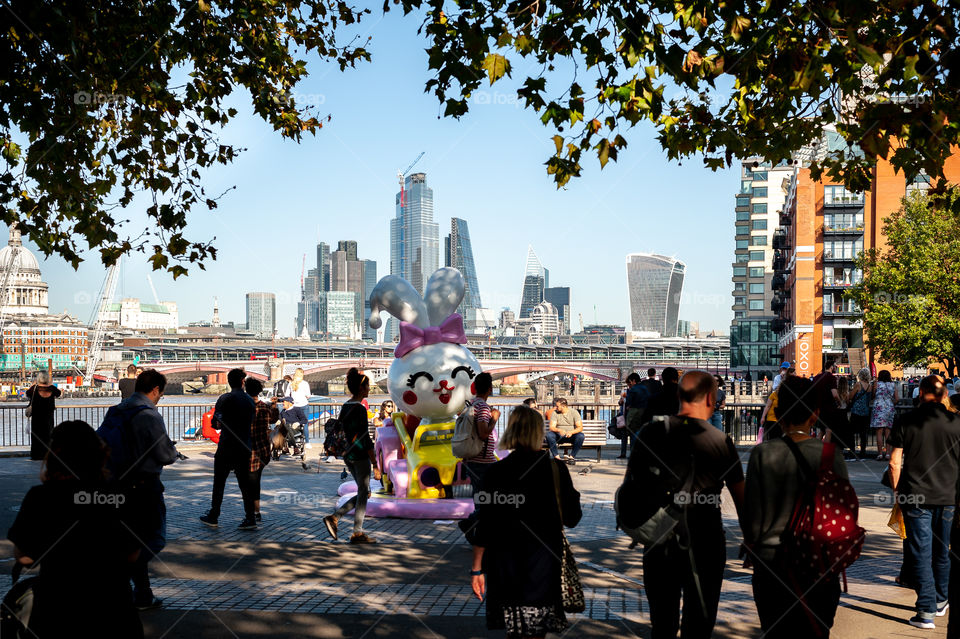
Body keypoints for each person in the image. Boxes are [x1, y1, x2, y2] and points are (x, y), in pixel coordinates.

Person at [634, 371, 745, 638]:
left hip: (660, 540)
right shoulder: (720, 441)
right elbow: (742, 498)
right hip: (706, 541)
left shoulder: (649, 434)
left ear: (679, 395)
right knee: (699, 624)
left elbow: (634, 491)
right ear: (710, 398)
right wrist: (752, 538)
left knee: (662, 624)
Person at [8, 421, 143, 638]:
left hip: (57, 609)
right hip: (114, 609)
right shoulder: (119, 495)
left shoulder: (41, 497)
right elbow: (134, 554)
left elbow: (25, 557)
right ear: (99, 454)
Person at [744, 375, 848, 637]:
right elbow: (843, 512)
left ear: (777, 413)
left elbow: (752, 513)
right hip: (818, 565)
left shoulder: (762, 454)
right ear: (815, 415)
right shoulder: (830, 455)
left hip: (772, 565)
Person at [469, 404, 582, 639]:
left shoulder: (495, 472)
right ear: (538, 433)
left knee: (516, 628)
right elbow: (573, 518)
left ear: (511, 431)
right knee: (535, 630)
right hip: (542, 560)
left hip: (505, 562)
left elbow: (485, 524)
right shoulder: (555, 469)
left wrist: (476, 569)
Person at [889, 375, 960, 629]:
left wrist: (898, 494)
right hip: (948, 495)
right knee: (942, 551)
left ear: (920, 393)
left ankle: (926, 610)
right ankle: (941, 601)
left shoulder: (906, 420)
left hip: (915, 494)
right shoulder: (956, 422)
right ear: (944, 395)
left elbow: (894, 462)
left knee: (920, 552)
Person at [118, 369, 179, 610]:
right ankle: (119, 575)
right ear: (155, 390)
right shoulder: (150, 415)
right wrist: (173, 452)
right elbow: (164, 454)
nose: (160, 398)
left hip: (118, 483)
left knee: (133, 540)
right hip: (145, 485)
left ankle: (143, 595)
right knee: (155, 538)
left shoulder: (119, 410)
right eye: (161, 394)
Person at [323, 368, 381, 544]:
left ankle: (336, 518)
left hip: (347, 454)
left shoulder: (346, 406)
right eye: (368, 387)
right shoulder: (360, 409)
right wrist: (375, 464)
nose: (369, 390)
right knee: (364, 492)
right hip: (360, 455)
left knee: (365, 492)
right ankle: (356, 532)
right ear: (361, 389)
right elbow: (365, 438)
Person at [200, 368, 257, 530]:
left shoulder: (224, 398)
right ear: (242, 382)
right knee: (245, 485)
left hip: (226, 446)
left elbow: (215, 422)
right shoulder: (249, 401)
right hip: (244, 445)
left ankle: (214, 515)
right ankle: (250, 517)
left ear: (229, 382)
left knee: (219, 483)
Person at [460, 372, 501, 491]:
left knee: (479, 494)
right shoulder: (482, 407)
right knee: (486, 495)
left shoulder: (470, 405)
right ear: (490, 388)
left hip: (471, 457)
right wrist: (494, 418)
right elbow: (483, 434)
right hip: (483, 460)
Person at [245, 377, 278, 523]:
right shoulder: (265, 407)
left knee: (249, 484)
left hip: (249, 450)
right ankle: (256, 511)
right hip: (263, 451)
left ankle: (252, 513)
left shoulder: (244, 408)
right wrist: (275, 405)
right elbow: (273, 419)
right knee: (255, 481)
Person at [25, 371, 62, 460]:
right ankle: (47, 455)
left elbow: (27, 394)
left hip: (37, 417)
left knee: (36, 436)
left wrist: (33, 384)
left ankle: (36, 455)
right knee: (48, 436)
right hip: (48, 417)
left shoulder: (34, 388)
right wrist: (50, 384)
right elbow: (59, 393)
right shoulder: (52, 389)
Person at [871, 369, 899, 460]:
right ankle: (887, 454)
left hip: (878, 408)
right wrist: (891, 404)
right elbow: (897, 399)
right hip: (889, 409)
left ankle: (879, 454)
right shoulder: (893, 385)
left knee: (879, 432)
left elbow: (873, 396)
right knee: (888, 432)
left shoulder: (876, 384)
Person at [759, 367, 793, 441]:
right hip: (772, 420)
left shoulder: (788, 396)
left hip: (782, 421)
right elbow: (767, 406)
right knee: (773, 439)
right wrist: (763, 417)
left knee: (780, 440)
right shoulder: (774, 394)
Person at [546, 397, 584, 462]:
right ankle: (556, 457)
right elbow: (552, 427)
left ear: (563, 406)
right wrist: (559, 430)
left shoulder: (574, 412)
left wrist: (571, 432)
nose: (556, 407)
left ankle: (572, 456)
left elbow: (580, 427)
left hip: (570, 435)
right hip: (559, 436)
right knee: (549, 435)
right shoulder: (555, 413)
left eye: (557, 406)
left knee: (581, 436)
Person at [847, 368, 873, 459]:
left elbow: (850, 396)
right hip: (865, 412)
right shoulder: (870, 386)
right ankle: (863, 452)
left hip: (856, 411)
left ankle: (852, 452)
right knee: (863, 434)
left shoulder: (858, 384)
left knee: (851, 432)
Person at [288, 368, 312, 447]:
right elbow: (308, 396)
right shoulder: (305, 383)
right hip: (304, 405)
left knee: (293, 423)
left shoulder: (291, 384)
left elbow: (287, 395)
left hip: (294, 406)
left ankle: (293, 441)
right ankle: (307, 442)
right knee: (304, 423)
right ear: (302, 374)